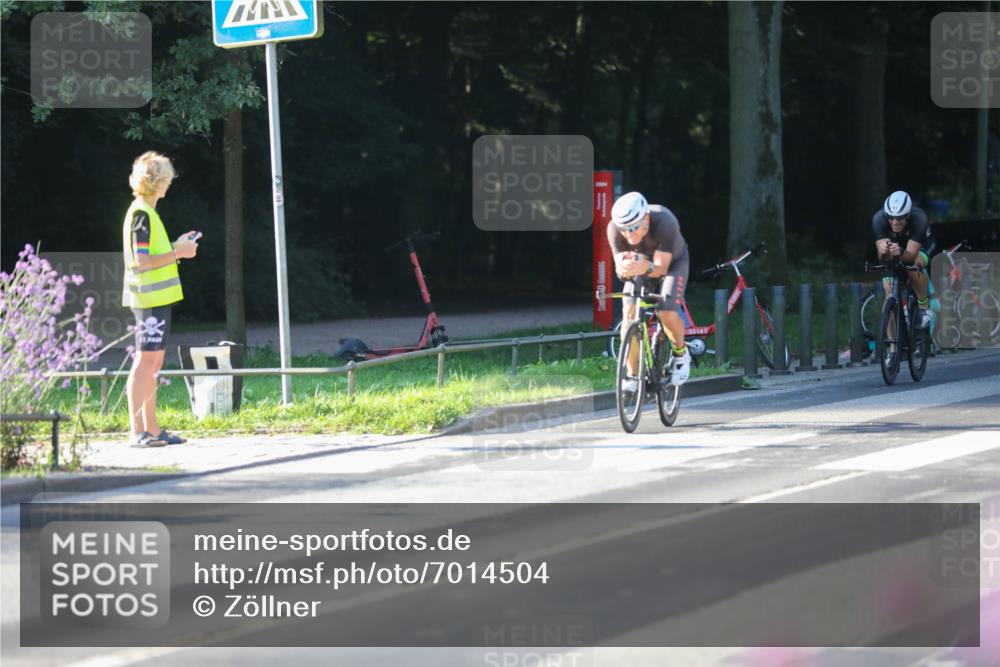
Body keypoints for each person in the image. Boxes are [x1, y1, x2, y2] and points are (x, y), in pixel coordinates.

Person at [121, 151, 200, 448]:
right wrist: (178, 252)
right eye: (167, 178)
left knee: (153, 362)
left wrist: (175, 246)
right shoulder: (141, 214)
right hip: (148, 300)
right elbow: (142, 261)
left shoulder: (146, 213)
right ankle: (137, 432)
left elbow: (151, 254)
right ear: (155, 181)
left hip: (157, 299)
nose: (170, 182)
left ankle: (152, 430)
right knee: (145, 361)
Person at [607, 191, 691, 386]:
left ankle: (681, 354)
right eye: (624, 229)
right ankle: (633, 374)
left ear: (646, 218)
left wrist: (646, 267)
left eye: (634, 227)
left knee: (666, 312)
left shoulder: (665, 222)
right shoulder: (613, 228)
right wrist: (623, 268)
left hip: (672, 264)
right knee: (629, 315)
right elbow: (620, 267)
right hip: (641, 263)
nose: (629, 234)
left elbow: (661, 268)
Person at [872, 190, 937, 332]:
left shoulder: (919, 218)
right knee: (888, 293)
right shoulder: (878, 219)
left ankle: (924, 307)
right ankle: (891, 345)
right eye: (891, 218)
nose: (895, 222)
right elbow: (882, 259)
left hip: (920, 247)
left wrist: (900, 252)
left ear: (907, 215)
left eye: (899, 218)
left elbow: (910, 256)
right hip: (897, 246)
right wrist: (884, 252)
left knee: (912, 266)